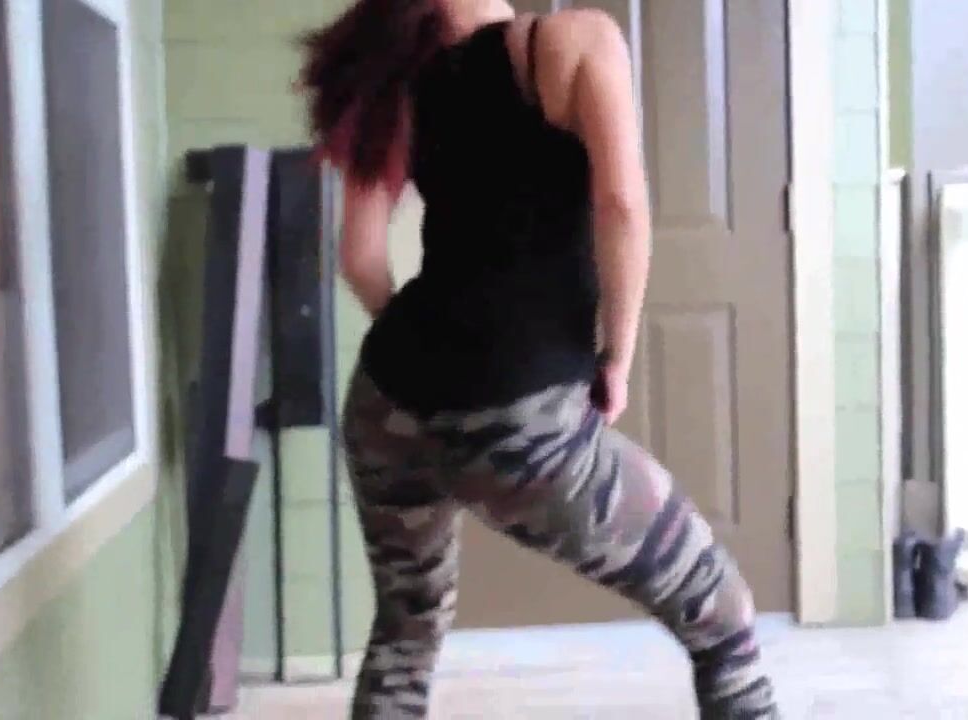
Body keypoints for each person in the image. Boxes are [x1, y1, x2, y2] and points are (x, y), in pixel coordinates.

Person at [299, 0, 780, 716]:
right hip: (519, 418)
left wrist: (435, 356)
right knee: (721, 612)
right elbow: (621, 206)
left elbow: (360, 258)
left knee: (406, 631)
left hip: (386, 403)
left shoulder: (398, 80)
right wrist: (616, 356)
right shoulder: (574, 42)